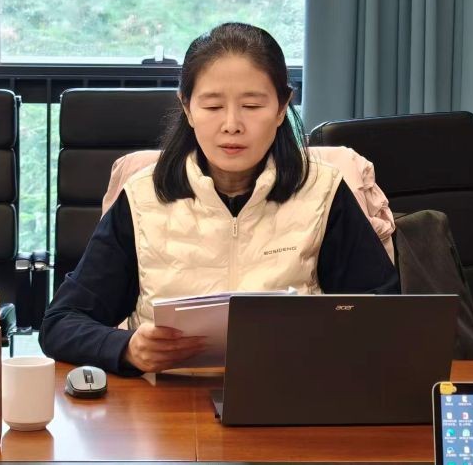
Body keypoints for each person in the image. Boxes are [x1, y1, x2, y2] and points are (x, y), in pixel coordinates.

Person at [39, 22, 399, 376]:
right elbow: (61, 323)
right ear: (187, 108)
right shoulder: (142, 197)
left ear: (281, 108)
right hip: (166, 399)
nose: (232, 124)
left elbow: (386, 318)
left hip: (290, 391)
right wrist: (128, 348)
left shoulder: (323, 191)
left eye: (252, 106)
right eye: (212, 107)